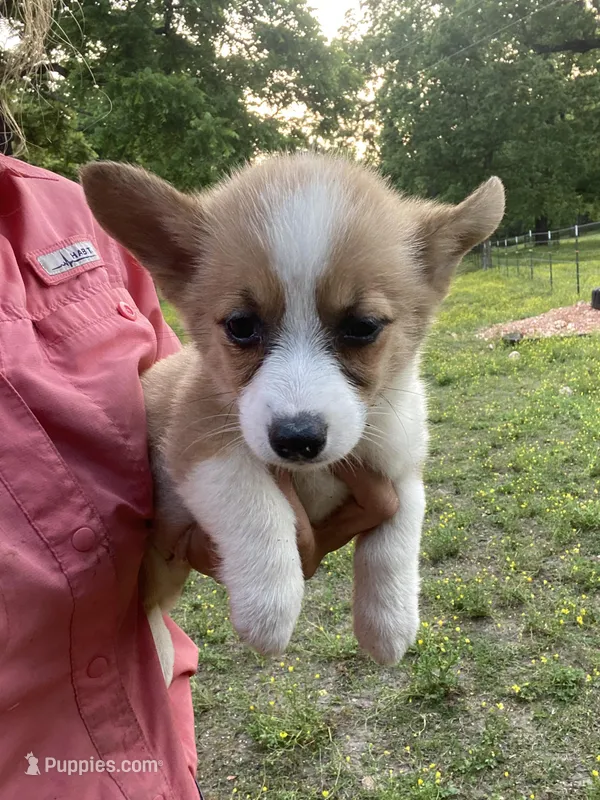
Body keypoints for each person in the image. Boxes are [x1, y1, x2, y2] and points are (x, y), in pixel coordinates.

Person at [0, 18, 398, 797]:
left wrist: (228, 538)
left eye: (354, 331)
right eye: (246, 331)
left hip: (140, 736)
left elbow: (173, 402)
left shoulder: (68, 220)